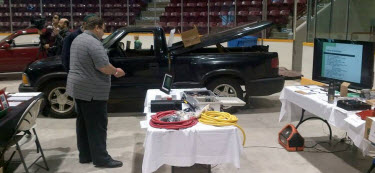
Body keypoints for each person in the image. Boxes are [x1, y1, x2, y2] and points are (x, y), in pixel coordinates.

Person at [66, 16, 125, 168]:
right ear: (97, 27)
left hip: (79, 89)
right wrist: (116, 71)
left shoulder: (78, 39)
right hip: (91, 90)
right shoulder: (93, 43)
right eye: (103, 29)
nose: (104, 33)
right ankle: (101, 159)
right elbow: (103, 66)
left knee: (84, 124)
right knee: (98, 125)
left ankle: (85, 155)